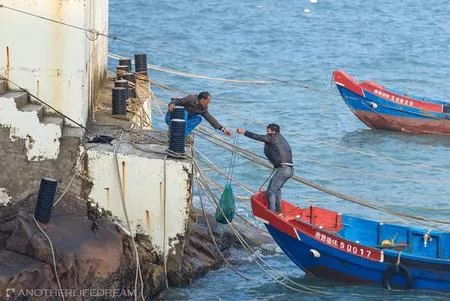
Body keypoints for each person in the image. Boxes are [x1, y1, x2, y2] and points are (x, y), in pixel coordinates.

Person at [236, 124, 294, 213]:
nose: (266, 133)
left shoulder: (272, 138)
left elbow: (257, 137)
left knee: (270, 192)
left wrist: (244, 132)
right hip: (290, 169)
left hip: (283, 169)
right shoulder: (281, 138)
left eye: (268, 131)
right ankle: (278, 212)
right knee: (277, 190)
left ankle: (271, 213)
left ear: (273, 132)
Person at [165, 91, 232, 137]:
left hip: (183, 122)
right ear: (202, 100)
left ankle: (183, 134)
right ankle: (178, 132)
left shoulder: (203, 107)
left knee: (198, 118)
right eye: (207, 102)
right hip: (172, 118)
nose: (208, 103)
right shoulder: (191, 98)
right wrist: (172, 104)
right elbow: (178, 100)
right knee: (184, 113)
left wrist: (223, 130)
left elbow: (210, 119)